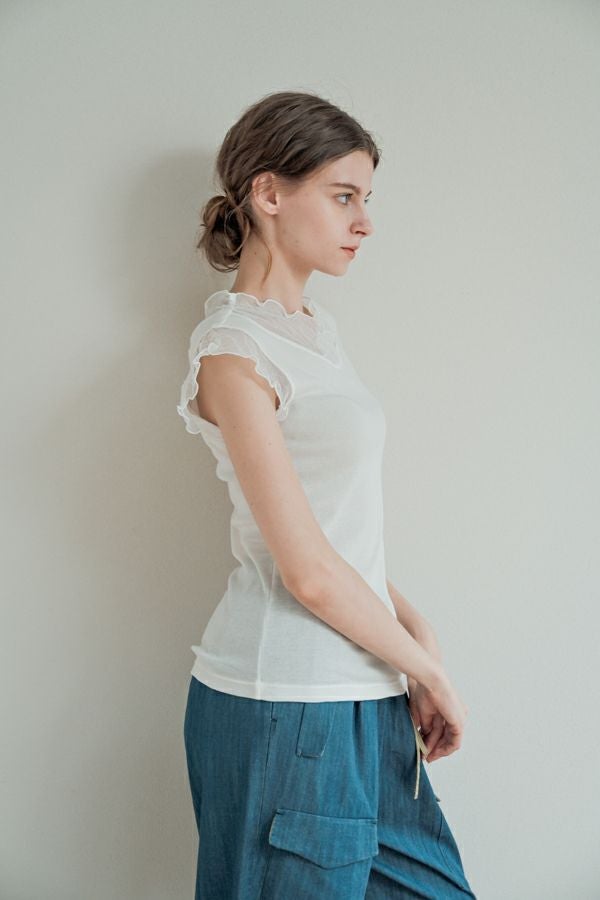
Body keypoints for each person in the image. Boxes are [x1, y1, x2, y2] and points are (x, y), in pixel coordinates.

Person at [177, 90, 477, 899]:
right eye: (344, 196)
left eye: (365, 199)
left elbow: (333, 536)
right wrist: (427, 670)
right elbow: (306, 570)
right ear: (269, 194)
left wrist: (413, 630)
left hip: (366, 693)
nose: (364, 222)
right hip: (287, 703)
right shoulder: (232, 352)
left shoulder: (314, 333)